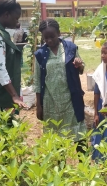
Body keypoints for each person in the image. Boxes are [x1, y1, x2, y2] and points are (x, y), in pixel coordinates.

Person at [33, 19, 87, 153]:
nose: (49, 40)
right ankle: (59, 168)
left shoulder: (71, 48)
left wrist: (80, 65)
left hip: (71, 100)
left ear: (58, 33)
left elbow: (80, 69)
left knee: (79, 136)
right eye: (46, 37)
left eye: (52, 36)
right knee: (56, 140)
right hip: (51, 103)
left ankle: (84, 167)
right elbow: (37, 81)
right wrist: (39, 106)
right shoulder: (40, 55)